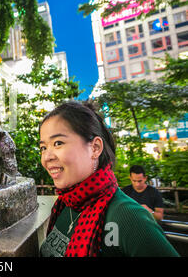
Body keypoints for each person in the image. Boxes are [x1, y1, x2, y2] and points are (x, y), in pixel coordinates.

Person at [39, 101, 178, 257]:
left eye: (58, 143)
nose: (47, 157)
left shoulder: (128, 217)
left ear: (95, 148)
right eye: (43, 147)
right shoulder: (65, 204)